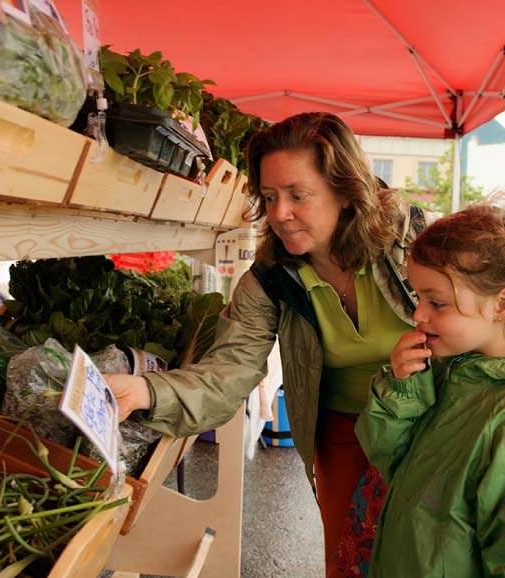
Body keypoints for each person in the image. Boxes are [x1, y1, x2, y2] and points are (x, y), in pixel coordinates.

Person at [105, 111, 430, 578]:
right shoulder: (271, 279)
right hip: (343, 431)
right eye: (270, 196)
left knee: (430, 550)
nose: (279, 214)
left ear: (345, 191)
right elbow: (228, 372)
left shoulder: (411, 242)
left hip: (429, 418)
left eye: (298, 195)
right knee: (348, 560)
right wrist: (146, 392)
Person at [355, 201, 505, 578]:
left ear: (501, 305)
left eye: (436, 302)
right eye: (419, 297)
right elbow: (388, 459)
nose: (419, 314)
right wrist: (402, 389)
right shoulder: (445, 370)